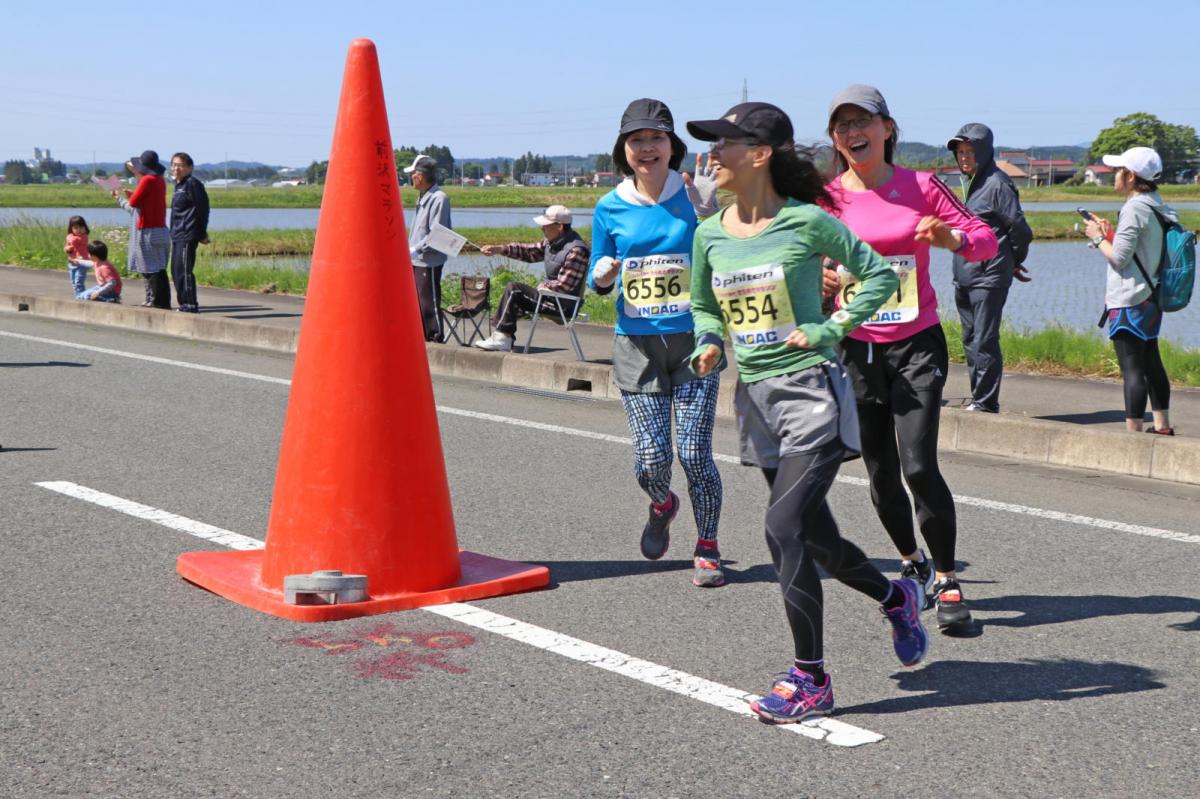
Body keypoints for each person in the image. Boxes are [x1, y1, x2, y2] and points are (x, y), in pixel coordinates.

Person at [686, 101, 928, 723]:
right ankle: (895, 595)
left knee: (782, 528)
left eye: (723, 144)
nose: (711, 156)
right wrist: (710, 343)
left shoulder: (804, 222)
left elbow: (874, 276)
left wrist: (833, 327)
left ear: (760, 154)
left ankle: (810, 678)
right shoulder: (709, 232)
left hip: (812, 393)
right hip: (755, 399)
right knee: (817, 540)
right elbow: (704, 307)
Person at [824, 85, 997, 634]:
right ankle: (910, 561)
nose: (854, 133)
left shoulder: (922, 186)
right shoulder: (826, 198)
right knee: (879, 472)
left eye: (864, 123)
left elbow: (986, 239)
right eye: (842, 126)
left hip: (915, 344)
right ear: (835, 138)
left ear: (888, 129)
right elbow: (802, 264)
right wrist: (822, 280)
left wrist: (950, 238)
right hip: (856, 347)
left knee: (919, 464)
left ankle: (946, 576)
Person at [588, 98, 726, 588]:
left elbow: (728, 251)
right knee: (651, 462)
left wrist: (712, 216)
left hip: (694, 341)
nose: (647, 148)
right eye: (637, 140)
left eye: (656, 139)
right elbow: (597, 275)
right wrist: (602, 276)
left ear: (672, 147)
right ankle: (663, 504)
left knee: (693, 453)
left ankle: (707, 545)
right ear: (624, 150)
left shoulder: (697, 194)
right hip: (637, 346)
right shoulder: (609, 206)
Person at [1083, 146, 1177, 435]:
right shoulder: (1156, 203)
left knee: (1132, 368)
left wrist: (1098, 238)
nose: (1114, 176)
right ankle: (1161, 426)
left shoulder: (1134, 208)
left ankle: (1133, 434)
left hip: (1129, 298)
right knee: (1151, 362)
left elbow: (1120, 258)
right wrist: (1111, 235)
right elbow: (1141, 250)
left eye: (1118, 171)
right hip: (1151, 295)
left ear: (1132, 177)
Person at [946, 123, 1033, 412]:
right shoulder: (968, 184)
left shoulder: (997, 183)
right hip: (965, 274)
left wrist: (1013, 262)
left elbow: (1019, 230)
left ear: (984, 152)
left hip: (989, 274)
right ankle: (979, 398)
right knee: (970, 339)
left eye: (970, 151)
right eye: (960, 152)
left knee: (984, 338)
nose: (964, 157)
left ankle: (985, 403)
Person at [474, 205, 589, 352]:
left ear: (559, 226)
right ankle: (503, 337)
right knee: (514, 294)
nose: (542, 229)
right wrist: (499, 249)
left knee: (515, 290)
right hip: (550, 298)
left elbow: (564, 286)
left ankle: (502, 338)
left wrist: (544, 285)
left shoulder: (576, 250)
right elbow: (529, 252)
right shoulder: (551, 243)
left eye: (545, 226)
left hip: (563, 306)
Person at [114, 150, 171, 309]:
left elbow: (133, 203)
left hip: (148, 231)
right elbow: (147, 200)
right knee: (160, 269)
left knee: (150, 269)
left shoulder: (146, 180)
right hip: (161, 230)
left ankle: (155, 302)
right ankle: (162, 302)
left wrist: (127, 196)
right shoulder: (160, 180)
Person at [405, 154, 451, 342]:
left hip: (428, 260)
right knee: (418, 301)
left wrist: (415, 249)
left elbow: (437, 234)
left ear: (420, 176)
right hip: (417, 259)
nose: (411, 178)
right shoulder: (424, 196)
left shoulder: (439, 198)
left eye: (412, 174)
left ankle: (436, 337)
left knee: (429, 301)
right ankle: (424, 337)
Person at [169, 152, 210, 313]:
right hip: (177, 234)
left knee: (184, 270)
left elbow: (203, 209)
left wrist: (201, 233)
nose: (176, 168)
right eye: (173, 165)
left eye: (180, 165)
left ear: (189, 168)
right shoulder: (179, 185)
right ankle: (183, 303)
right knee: (176, 270)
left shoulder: (193, 184)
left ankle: (190, 304)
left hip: (188, 234)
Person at [63, 216, 92, 299]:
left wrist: (69, 237)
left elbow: (74, 241)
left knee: (79, 282)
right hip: (72, 263)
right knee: (74, 283)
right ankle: (78, 296)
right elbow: (66, 247)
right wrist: (67, 249)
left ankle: (81, 297)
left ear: (85, 227)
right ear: (71, 228)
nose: (78, 230)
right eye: (76, 228)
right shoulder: (71, 237)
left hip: (82, 263)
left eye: (81, 227)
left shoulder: (84, 236)